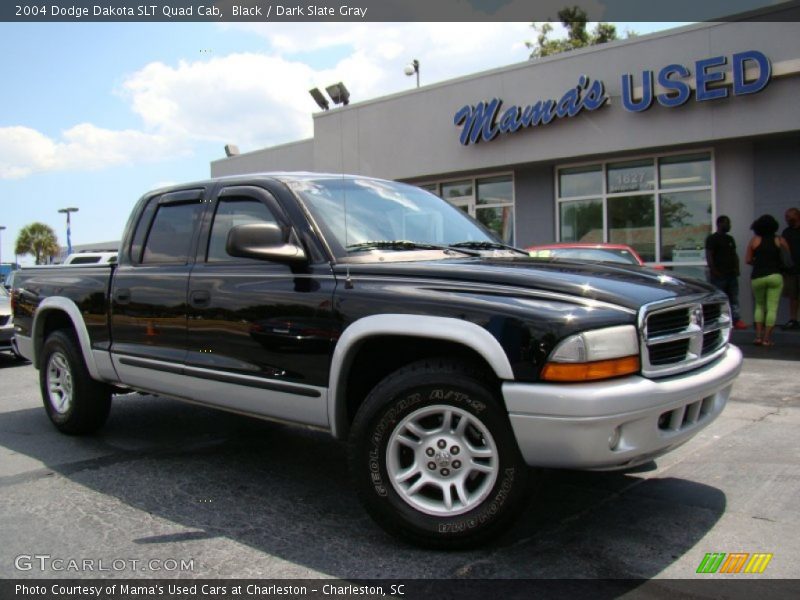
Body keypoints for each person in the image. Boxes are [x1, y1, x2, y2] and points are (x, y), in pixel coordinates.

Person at [745, 214, 790, 346]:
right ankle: (767, 339)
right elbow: (788, 259)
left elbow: (747, 259)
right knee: (772, 308)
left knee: (759, 306)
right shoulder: (780, 240)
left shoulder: (754, 240)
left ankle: (758, 337)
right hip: (775, 276)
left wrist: (759, 263)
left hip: (758, 276)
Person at [705, 215, 746, 329]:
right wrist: (714, 270)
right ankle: (718, 320)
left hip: (731, 274)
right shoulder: (712, 239)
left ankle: (736, 319)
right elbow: (709, 255)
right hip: (719, 275)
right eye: (727, 223)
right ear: (720, 224)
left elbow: (734, 254)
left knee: (733, 297)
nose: (729, 226)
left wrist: (737, 268)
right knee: (719, 299)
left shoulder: (730, 239)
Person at [781, 207, 800, 330]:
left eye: (789, 216)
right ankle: (793, 320)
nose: (787, 219)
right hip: (792, 270)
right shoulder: (786, 232)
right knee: (793, 295)